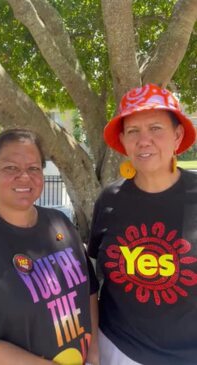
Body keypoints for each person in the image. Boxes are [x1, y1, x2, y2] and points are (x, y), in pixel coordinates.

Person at [88, 83, 197, 365]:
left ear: (178, 135)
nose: (143, 140)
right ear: (123, 141)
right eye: (133, 131)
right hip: (117, 349)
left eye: (155, 128)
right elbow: (94, 278)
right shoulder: (109, 198)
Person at [0, 128, 99, 365]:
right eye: (10, 168)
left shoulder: (60, 223)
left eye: (33, 168)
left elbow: (89, 289)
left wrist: (93, 353)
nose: (24, 176)